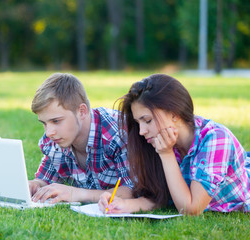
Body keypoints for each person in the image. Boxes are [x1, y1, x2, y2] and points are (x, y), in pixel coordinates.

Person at [99, 73, 250, 215]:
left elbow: (191, 209)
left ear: (174, 114)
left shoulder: (216, 139)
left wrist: (166, 154)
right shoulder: (156, 142)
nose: (142, 131)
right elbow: (159, 197)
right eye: (139, 123)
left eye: (148, 120)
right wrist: (125, 205)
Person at [28, 73, 133, 204]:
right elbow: (45, 179)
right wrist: (35, 184)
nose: (49, 132)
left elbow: (132, 190)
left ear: (82, 111)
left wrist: (77, 194)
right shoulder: (54, 140)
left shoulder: (116, 134)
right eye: (44, 123)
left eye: (56, 121)